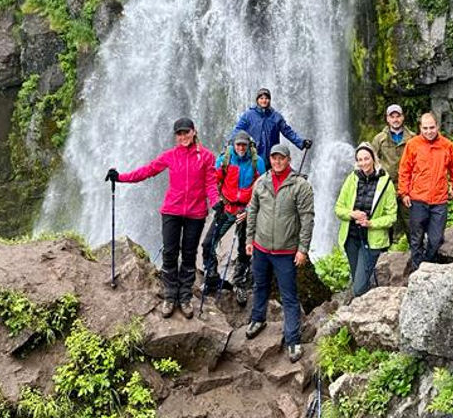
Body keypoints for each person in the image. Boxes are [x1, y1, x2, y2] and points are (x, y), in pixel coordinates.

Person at [106, 117, 218, 318]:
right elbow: (147, 171)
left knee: (189, 254)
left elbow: (211, 183)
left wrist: (216, 200)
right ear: (176, 136)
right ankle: (169, 295)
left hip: (196, 213)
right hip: (171, 212)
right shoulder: (170, 156)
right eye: (179, 133)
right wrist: (120, 177)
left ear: (194, 132)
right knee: (169, 253)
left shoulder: (207, 157)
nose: (183, 136)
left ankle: (184, 297)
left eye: (186, 132)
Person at [245, 143, 315, 363]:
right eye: (274, 158)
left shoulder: (300, 185)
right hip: (261, 247)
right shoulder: (261, 182)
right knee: (259, 285)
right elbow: (252, 211)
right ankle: (258, 319)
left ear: (288, 159)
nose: (277, 161)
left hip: (286, 251)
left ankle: (293, 340)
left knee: (289, 296)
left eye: (281, 158)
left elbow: (307, 218)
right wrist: (249, 239)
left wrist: (303, 249)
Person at [201, 130, 266, 302]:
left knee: (245, 248)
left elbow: (262, 189)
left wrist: (249, 210)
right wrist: (216, 201)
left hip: (246, 211)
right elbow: (213, 181)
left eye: (244, 144)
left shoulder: (257, 162)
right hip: (227, 208)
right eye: (238, 144)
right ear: (233, 145)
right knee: (208, 244)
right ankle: (212, 276)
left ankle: (239, 283)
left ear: (249, 145)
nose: (241, 148)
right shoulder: (225, 160)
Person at [398, 112, 453, 272]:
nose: (429, 131)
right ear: (420, 128)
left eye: (432, 127)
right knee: (416, 237)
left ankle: (428, 264)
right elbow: (404, 169)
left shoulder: (447, 145)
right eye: (425, 128)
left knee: (436, 239)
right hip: (418, 198)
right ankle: (417, 268)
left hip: (439, 200)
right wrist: (404, 192)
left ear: (437, 126)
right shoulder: (412, 144)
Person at [334, 143, 398, 298]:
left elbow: (392, 216)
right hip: (351, 238)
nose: (363, 163)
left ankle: (367, 300)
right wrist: (352, 214)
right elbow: (338, 208)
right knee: (358, 279)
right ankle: (366, 305)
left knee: (358, 287)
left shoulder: (386, 183)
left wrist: (371, 224)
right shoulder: (352, 179)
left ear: (373, 158)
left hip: (372, 240)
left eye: (366, 158)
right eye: (360, 160)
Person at [370, 103, 415, 243]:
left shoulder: (413, 138)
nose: (395, 119)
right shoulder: (379, 139)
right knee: (386, 221)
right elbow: (371, 159)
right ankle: (385, 256)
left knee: (410, 220)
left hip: (407, 187)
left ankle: (416, 253)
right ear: (387, 119)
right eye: (392, 116)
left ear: (403, 117)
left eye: (398, 116)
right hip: (386, 186)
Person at [232, 88, 311, 161]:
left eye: (266, 98)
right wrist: (229, 146)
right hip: (253, 156)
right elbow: (237, 131)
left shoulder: (276, 117)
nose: (264, 101)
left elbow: (288, 132)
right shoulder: (248, 115)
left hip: (271, 157)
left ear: (269, 100)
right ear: (257, 100)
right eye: (261, 98)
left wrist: (302, 142)